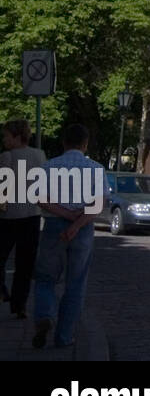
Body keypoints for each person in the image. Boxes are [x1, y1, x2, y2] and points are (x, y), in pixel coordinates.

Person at [32, 124, 104, 349]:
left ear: (64, 143)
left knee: (45, 278)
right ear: (85, 144)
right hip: (82, 230)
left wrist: (64, 214)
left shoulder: (48, 167)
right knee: (76, 284)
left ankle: (45, 315)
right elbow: (97, 204)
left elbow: (41, 199)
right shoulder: (95, 168)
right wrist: (77, 223)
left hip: (54, 226)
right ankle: (63, 337)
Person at [0, 119, 46, 318]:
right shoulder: (40, 155)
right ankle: (20, 305)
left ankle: (2, 291)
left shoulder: (6, 157)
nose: (4, 139)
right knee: (25, 264)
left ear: (17, 137)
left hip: (9, 217)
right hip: (32, 216)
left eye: (6, 136)